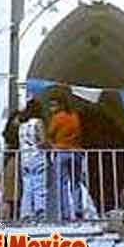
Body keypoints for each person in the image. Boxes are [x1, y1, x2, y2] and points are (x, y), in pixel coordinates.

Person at [47, 92, 83, 222]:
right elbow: (78, 133)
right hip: (76, 151)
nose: (51, 108)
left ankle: (65, 212)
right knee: (76, 182)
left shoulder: (57, 118)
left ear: (60, 105)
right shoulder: (74, 116)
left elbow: (50, 133)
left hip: (61, 151)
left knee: (62, 183)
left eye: (53, 105)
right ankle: (78, 209)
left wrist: (51, 145)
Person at [19, 98, 48, 222]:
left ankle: (26, 213)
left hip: (24, 157)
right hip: (37, 156)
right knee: (39, 185)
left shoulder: (22, 125)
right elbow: (42, 141)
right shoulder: (38, 122)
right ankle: (40, 212)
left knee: (27, 186)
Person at [2, 110, 21, 220]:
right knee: (12, 191)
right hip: (13, 159)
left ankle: (11, 216)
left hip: (10, 159)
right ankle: (11, 216)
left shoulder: (8, 136)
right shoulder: (13, 135)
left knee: (11, 192)